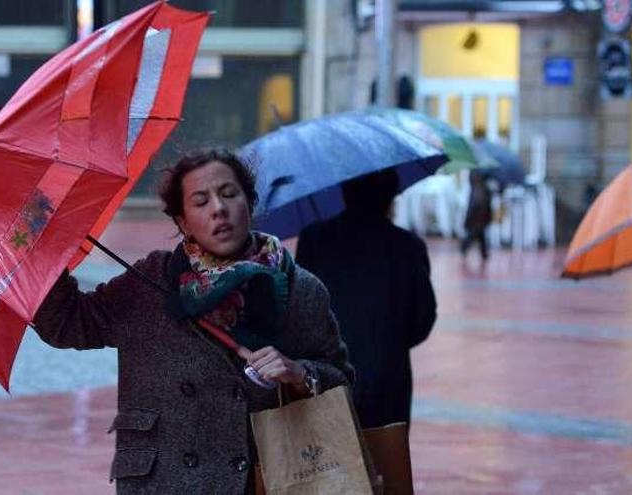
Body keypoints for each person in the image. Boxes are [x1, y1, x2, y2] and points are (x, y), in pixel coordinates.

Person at [33, 149, 354, 494]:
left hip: (259, 479)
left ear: (250, 202)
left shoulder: (298, 288)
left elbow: (342, 381)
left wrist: (299, 373)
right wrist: (47, 249)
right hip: (163, 481)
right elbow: (68, 324)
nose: (219, 208)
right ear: (183, 221)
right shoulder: (149, 281)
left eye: (229, 194)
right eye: (201, 202)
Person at [296, 168, 437, 429]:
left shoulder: (314, 239)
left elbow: (298, 309)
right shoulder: (408, 246)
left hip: (326, 373)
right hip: (388, 374)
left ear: (344, 192)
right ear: (391, 195)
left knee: (330, 460)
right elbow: (422, 320)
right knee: (386, 460)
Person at [461, 169, 492, 261]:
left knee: (477, 231)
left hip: (477, 209)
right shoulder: (482, 189)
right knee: (478, 231)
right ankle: (482, 252)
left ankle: (482, 252)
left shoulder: (477, 189)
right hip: (479, 210)